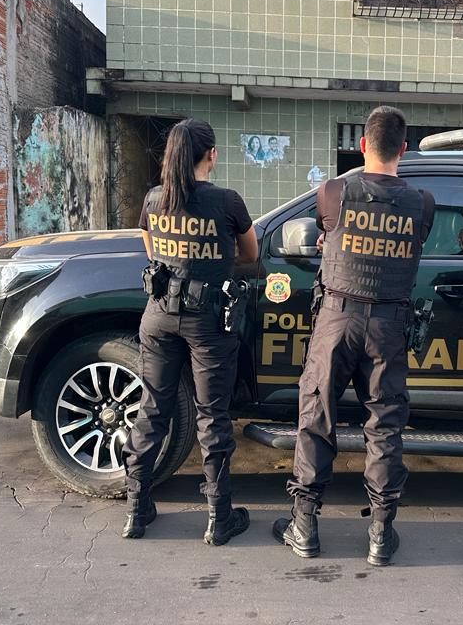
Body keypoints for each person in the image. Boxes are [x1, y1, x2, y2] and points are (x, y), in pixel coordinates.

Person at [273, 106, 435, 566]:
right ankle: (381, 534)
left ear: (362, 145)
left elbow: (332, 233)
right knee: (384, 425)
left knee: (316, 417)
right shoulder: (422, 203)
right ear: (404, 149)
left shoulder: (333, 191)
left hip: (337, 319)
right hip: (387, 326)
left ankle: (305, 527)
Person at [121, 118, 259, 544]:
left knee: (152, 409)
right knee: (212, 416)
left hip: (159, 314)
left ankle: (136, 509)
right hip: (209, 321)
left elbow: (152, 250)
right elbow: (250, 256)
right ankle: (219, 517)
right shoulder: (227, 201)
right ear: (211, 155)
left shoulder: (154, 198)